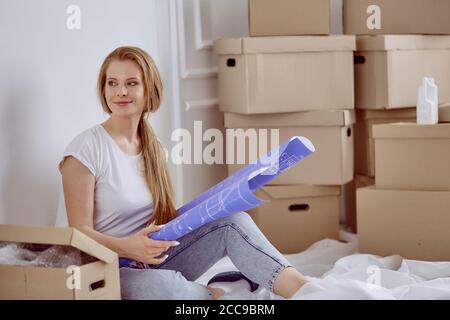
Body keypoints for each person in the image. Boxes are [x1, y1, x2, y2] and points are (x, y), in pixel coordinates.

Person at [59, 46, 308, 300]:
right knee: (164, 288)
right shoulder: (86, 149)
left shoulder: (154, 148)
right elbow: (78, 233)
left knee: (235, 222)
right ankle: (218, 292)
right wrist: (128, 248)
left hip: (147, 260)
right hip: (104, 270)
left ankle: (306, 291)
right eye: (112, 83)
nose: (120, 91)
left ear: (149, 90)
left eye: (131, 83)